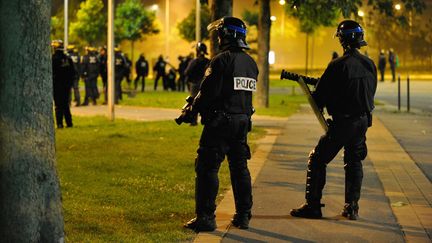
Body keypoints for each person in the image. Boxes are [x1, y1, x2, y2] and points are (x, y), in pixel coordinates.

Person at [290, 20, 377, 220]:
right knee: (354, 161)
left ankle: (313, 206)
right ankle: (352, 207)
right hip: (363, 121)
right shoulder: (370, 63)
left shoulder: (338, 65)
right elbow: (369, 92)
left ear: (342, 39)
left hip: (344, 123)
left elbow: (320, 96)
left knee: (318, 158)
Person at [183, 16, 258, 232]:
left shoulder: (220, 61)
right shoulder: (250, 63)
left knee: (207, 168)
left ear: (225, 36)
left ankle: (205, 218)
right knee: (240, 168)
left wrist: (191, 111)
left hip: (220, 124)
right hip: (242, 123)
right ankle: (243, 215)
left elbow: (206, 94)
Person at [51, 40, 76, 128]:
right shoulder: (68, 59)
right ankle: (69, 123)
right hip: (66, 86)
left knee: (58, 105)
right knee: (65, 104)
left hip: (57, 85)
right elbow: (73, 72)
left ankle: (60, 123)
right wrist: (70, 83)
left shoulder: (53, 59)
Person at [184, 42, 210, 125]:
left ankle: (193, 121)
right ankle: (204, 119)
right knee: (205, 102)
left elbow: (187, 72)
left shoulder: (194, 61)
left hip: (195, 84)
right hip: (206, 84)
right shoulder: (208, 61)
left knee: (194, 102)